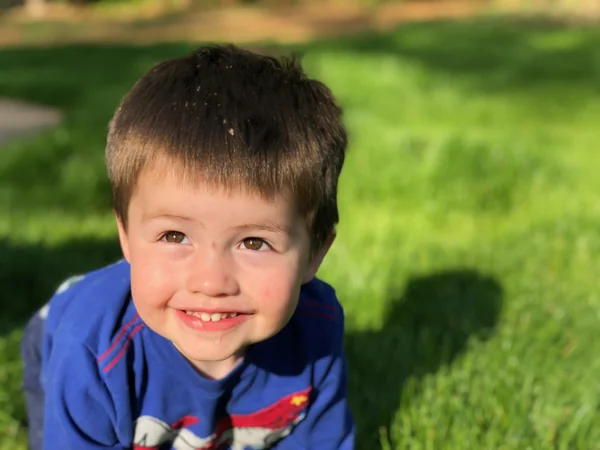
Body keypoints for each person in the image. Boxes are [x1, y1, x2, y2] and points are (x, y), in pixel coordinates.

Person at [20, 44, 354, 449]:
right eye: (174, 236)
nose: (210, 282)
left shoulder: (317, 328)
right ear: (126, 236)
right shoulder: (90, 349)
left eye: (254, 242)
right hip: (57, 335)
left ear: (315, 253)